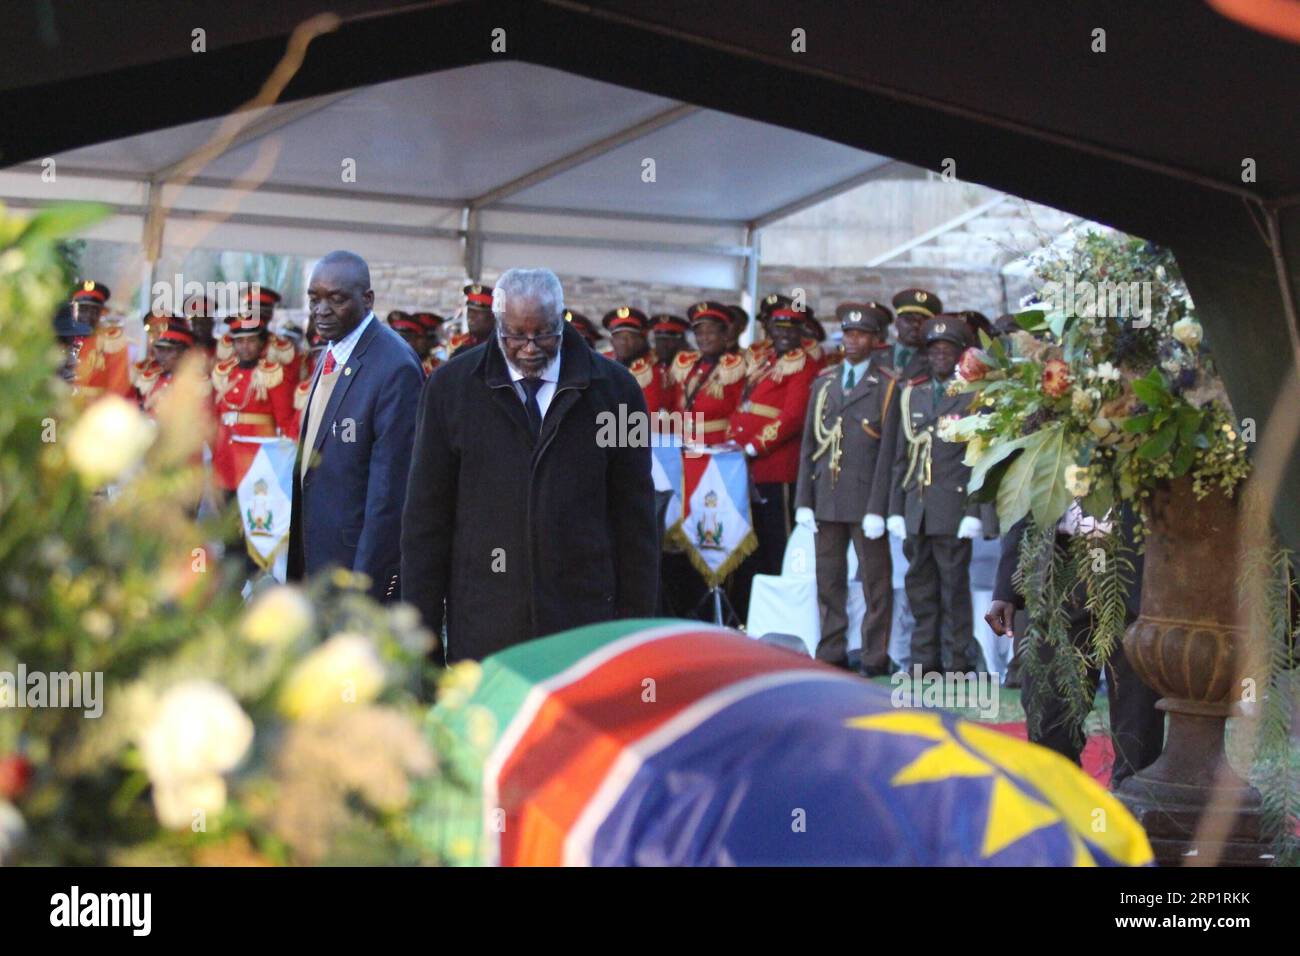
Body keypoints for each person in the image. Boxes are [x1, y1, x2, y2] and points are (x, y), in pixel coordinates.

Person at [401, 267, 658, 662]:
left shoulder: (618, 391)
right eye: (516, 335)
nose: (530, 346)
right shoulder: (451, 388)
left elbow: (635, 521)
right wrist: (422, 643)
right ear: (497, 323)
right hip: (485, 627)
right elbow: (426, 521)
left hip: (582, 627)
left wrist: (634, 634)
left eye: (544, 332)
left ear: (561, 318)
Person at [986, 513, 1164, 788]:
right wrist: (1006, 589)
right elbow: (1025, 495)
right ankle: (1055, 815)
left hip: (1134, 572)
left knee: (1137, 728)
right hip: (1060, 572)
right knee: (1047, 717)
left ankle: (1131, 820)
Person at [286, 251, 423, 602]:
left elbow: (389, 495)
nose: (321, 310)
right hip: (316, 560)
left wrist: (364, 590)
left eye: (337, 299)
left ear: (368, 299)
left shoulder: (394, 366)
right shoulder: (332, 351)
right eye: (314, 299)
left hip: (353, 573)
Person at [794, 302, 901, 674]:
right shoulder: (824, 382)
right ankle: (832, 650)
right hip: (827, 494)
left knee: (875, 583)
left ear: (876, 340)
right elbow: (809, 444)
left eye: (860, 334)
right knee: (828, 580)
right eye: (847, 333)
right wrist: (803, 500)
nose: (852, 340)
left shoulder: (887, 385)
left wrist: (879, 508)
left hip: (865, 498)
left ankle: (874, 655)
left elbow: (888, 453)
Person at [886, 315, 991, 673]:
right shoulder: (912, 393)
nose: (940, 357)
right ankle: (923, 660)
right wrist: (895, 509)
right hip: (917, 505)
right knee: (919, 587)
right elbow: (899, 455)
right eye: (935, 351)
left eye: (948, 351)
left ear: (961, 355)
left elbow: (980, 457)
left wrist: (974, 513)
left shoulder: (973, 395)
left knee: (954, 589)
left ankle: (958, 659)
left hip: (954, 505)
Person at [729, 302, 820, 580]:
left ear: (800, 332)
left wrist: (755, 445)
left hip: (777, 466)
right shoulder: (767, 361)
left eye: (790, 330)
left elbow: (793, 417)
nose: (783, 335)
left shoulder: (804, 363)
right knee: (755, 547)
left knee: (778, 542)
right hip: (748, 465)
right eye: (778, 329)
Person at [209, 307, 300, 496]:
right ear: (232, 344)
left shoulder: (272, 373)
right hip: (226, 456)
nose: (245, 346)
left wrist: (289, 455)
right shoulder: (224, 373)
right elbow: (215, 417)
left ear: (261, 344)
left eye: (251, 340)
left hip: (258, 456)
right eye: (240, 341)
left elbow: (284, 420)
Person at [668, 301, 748, 444]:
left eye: (710, 332)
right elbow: (676, 406)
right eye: (699, 333)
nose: (704, 338)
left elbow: (740, 410)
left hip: (717, 444)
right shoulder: (688, 364)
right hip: (685, 441)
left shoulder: (735, 366)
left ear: (725, 335)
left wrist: (733, 443)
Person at [70, 280, 133, 399]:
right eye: (82, 310)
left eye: (94, 311)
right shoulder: (61, 341)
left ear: (101, 313)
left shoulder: (112, 341)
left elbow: (119, 387)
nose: (88, 316)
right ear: (73, 311)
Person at [603, 306, 664, 412]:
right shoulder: (603, 362)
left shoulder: (654, 367)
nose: (623, 342)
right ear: (611, 341)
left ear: (641, 339)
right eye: (618, 336)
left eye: (629, 336)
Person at [134, 317, 194, 414]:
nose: (162, 356)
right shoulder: (150, 379)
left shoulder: (195, 383)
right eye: (160, 349)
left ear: (183, 353)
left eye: (169, 350)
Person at [890, 287, 941, 383]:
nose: (915, 325)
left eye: (922, 321)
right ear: (897, 322)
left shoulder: (937, 360)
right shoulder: (875, 355)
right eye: (909, 319)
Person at [446, 283, 495, 357]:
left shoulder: (503, 346)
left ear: (493, 315)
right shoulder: (458, 345)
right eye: (470, 311)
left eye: (477, 312)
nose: (470, 316)